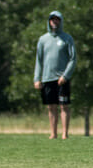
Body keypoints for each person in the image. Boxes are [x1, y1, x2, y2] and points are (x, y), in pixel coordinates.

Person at [33, 11, 76, 140]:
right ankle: (53, 133)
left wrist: (65, 76)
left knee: (64, 106)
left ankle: (65, 133)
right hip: (47, 78)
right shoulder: (43, 40)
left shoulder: (67, 38)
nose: (54, 22)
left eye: (57, 19)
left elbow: (73, 58)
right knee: (51, 106)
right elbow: (38, 60)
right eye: (52, 20)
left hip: (61, 79)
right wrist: (37, 78)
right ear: (49, 21)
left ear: (60, 21)